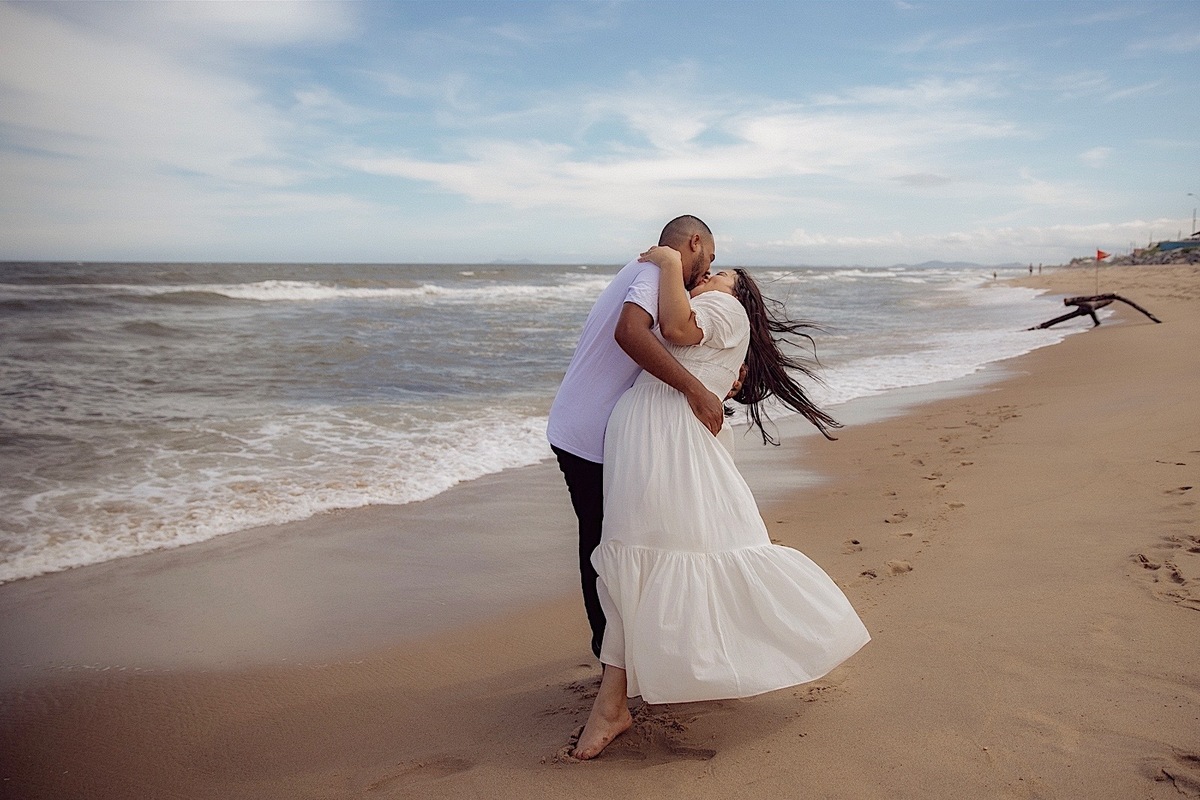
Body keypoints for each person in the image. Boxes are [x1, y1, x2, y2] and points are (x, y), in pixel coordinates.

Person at [571, 246, 870, 760]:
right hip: (652, 439)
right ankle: (616, 700)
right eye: (706, 270)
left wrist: (667, 265)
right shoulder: (714, 310)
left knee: (648, 555)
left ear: (738, 293)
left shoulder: (725, 310)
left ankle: (615, 703)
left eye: (720, 274)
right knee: (635, 559)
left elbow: (677, 332)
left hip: (666, 442)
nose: (708, 276)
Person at [547, 216, 726, 659]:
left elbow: (668, 340)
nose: (706, 271)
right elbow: (629, 333)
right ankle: (611, 655)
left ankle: (620, 652)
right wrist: (695, 389)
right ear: (695, 242)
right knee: (606, 545)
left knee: (610, 540)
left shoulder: (654, 276)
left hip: (584, 425)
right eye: (710, 259)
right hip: (587, 432)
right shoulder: (651, 273)